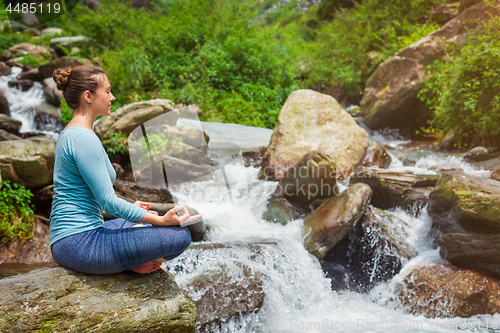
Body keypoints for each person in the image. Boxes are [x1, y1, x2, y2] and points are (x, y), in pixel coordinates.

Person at [49, 66, 202, 274]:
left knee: (144, 221)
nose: (112, 97)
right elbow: (109, 202)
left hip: (71, 239)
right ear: (88, 96)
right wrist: (160, 220)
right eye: (107, 91)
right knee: (180, 236)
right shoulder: (83, 138)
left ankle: (137, 261)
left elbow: (90, 199)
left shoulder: (70, 134)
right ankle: (137, 263)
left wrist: (135, 211)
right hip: (80, 243)